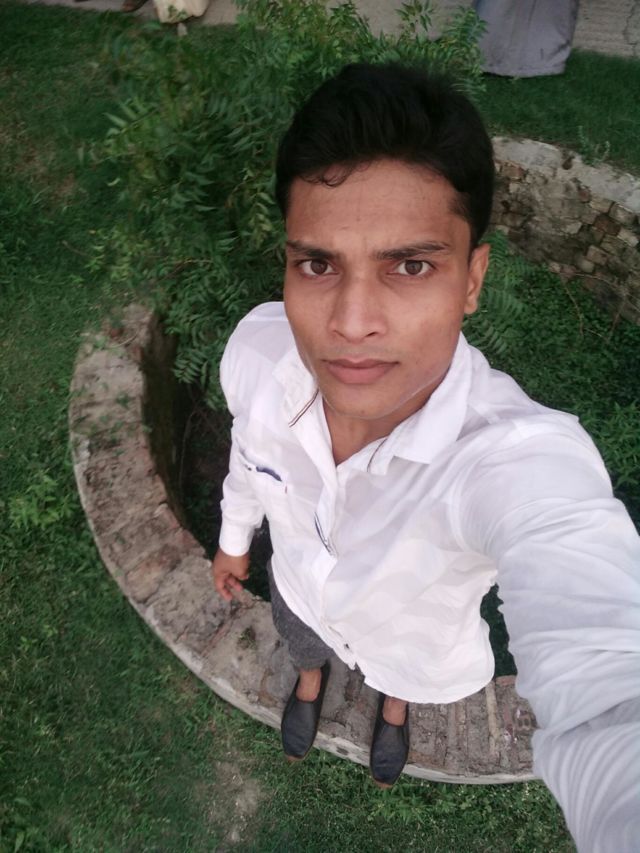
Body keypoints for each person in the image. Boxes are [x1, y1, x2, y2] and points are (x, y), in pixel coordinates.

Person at [212, 64, 640, 849]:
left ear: (472, 279)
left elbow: (612, 678)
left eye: (410, 265)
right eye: (318, 263)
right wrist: (235, 538)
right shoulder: (255, 354)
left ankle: (394, 708)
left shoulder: (514, 461)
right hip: (299, 588)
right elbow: (249, 452)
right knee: (303, 638)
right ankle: (309, 682)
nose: (351, 323)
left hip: (416, 646)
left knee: (399, 677)